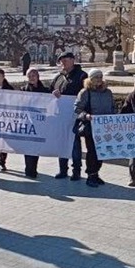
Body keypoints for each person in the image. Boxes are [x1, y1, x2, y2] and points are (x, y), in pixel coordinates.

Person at [74, 69, 115, 187]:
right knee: (92, 152)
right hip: (92, 126)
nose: (98, 79)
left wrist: (113, 118)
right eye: (96, 77)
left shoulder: (107, 92)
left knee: (102, 151)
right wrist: (86, 116)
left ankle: (96, 174)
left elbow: (112, 107)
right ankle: (90, 175)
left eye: (100, 77)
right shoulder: (85, 92)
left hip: (106, 127)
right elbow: (77, 109)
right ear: (90, 79)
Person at [51, 51, 88, 180]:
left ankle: (76, 171)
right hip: (60, 117)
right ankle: (63, 170)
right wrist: (53, 93)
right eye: (61, 61)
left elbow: (85, 94)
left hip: (75, 117)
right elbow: (50, 92)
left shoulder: (82, 76)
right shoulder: (58, 77)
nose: (63, 62)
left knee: (75, 144)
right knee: (62, 143)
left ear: (73, 60)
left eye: (66, 60)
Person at [22, 68, 51, 178]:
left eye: (34, 75)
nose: (32, 78)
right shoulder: (23, 90)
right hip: (28, 124)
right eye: (29, 76)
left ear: (38, 76)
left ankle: (33, 168)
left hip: (40, 124)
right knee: (28, 148)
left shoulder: (45, 91)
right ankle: (29, 169)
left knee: (36, 148)